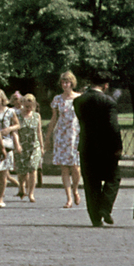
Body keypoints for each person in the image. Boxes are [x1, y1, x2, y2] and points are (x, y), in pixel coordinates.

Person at [72, 71, 123, 228]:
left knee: (91, 182)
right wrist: (118, 146)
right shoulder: (109, 102)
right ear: (105, 85)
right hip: (107, 147)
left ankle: (95, 217)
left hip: (87, 145)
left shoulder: (79, 101)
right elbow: (113, 127)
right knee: (113, 178)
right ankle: (105, 208)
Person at [48, 72, 83, 209]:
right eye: (63, 82)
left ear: (72, 83)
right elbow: (54, 118)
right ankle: (68, 198)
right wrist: (48, 136)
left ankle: (75, 189)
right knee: (64, 167)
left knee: (75, 167)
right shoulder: (57, 99)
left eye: (67, 82)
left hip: (75, 134)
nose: (65, 84)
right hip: (62, 134)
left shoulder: (79, 98)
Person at [13, 94, 44, 203]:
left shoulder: (37, 116)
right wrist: (17, 144)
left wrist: (42, 145)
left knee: (32, 168)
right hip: (21, 145)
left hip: (34, 146)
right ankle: (21, 186)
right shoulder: (17, 115)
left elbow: (39, 131)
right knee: (22, 171)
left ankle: (31, 193)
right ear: (22, 104)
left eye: (30, 106)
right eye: (26, 106)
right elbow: (15, 131)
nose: (28, 109)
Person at [0, 89, 18, 208]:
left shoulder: (10, 111)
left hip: (6, 143)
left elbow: (17, 124)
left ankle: (0, 198)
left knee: (3, 174)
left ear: (3, 99)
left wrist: (9, 129)